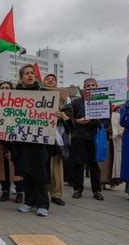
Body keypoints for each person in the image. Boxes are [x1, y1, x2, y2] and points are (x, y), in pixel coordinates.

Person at [6, 64, 51, 216]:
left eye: (32, 73)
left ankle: (43, 204)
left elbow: (51, 114)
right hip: (21, 140)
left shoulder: (44, 93)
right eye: (26, 73)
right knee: (26, 171)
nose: (30, 75)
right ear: (21, 77)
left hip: (38, 140)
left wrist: (56, 115)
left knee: (39, 172)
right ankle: (29, 201)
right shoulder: (15, 94)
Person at [70, 78, 109, 201]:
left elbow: (107, 122)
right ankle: (77, 189)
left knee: (94, 165)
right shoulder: (76, 102)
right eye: (88, 85)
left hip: (94, 137)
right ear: (84, 88)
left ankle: (97, 190)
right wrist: (78, 121)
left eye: (93, 85)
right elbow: (69, 119)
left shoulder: (103, 102)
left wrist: (97, 122)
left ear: (97, 87)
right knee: (78, 164)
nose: (90, 87)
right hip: (79, 137)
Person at [43, 74, 73, 206]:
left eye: (53, 79)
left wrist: (62, 115)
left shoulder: (64, 97)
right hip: (41, 135)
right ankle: (42, 193)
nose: (50, 80)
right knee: (42, 166)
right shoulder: (37, 94)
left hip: (58, 135)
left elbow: (70, 114)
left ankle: (56, 194)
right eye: (47, 79)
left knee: (56, 166)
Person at [0, 81, 25, 203]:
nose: (5, 90)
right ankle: (5, 191)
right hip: (0, 140)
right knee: (2, 167)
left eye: (7, 88)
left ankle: (20, 192)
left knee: (16, 167)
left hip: (15, 140)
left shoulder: (19, 104)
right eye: (2, 88)